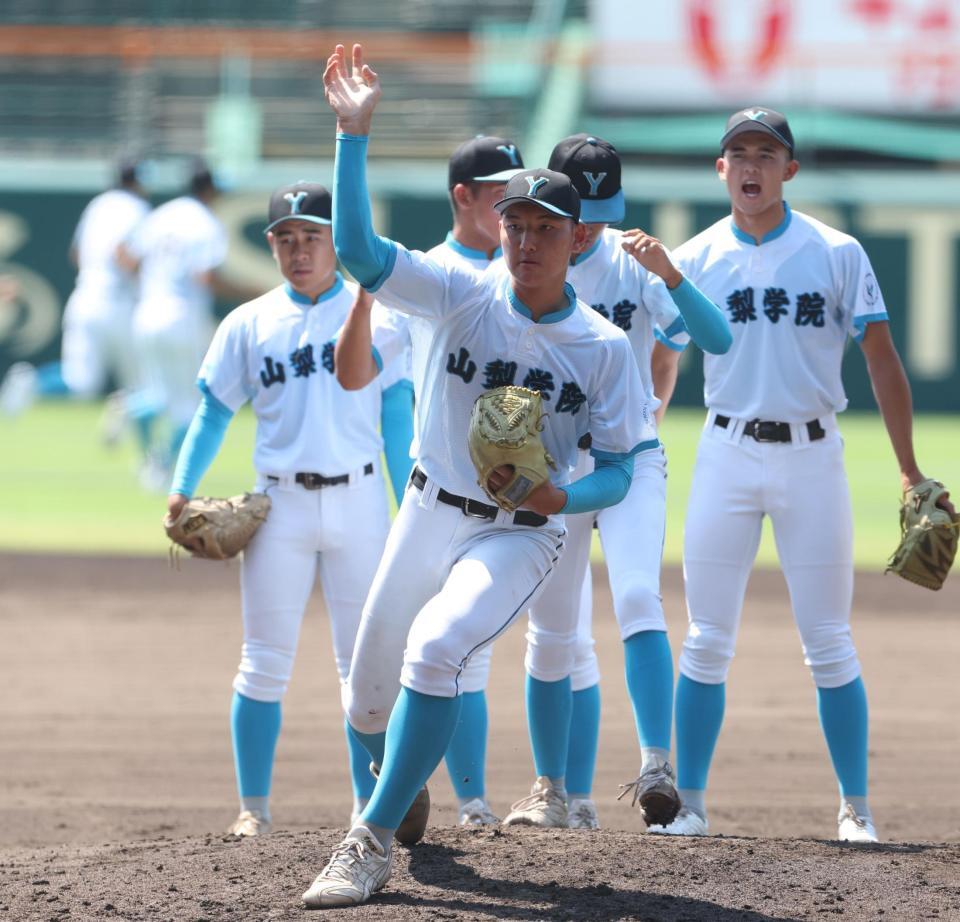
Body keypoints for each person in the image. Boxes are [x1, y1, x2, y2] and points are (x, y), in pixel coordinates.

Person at [300, 43, 654, 908]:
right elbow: (356, 251)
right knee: (365, 699)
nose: (527, 239)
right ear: (499, 228)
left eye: (545, 228)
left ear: (579, 239)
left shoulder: (603, 350)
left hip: (520, 531)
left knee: (438, 648)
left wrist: (562, 497)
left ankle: (369, 837)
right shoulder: (459, 290)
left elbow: (620, 471)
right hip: (426, 510)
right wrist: (353, 136)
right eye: (517, 223)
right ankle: (398, 781)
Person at [646, 107, 955, 843]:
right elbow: (665, 355)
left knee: (828, 639)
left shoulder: (837, 252)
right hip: (726, 454)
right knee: (705, 638)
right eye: (738, 153)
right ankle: (689, 803)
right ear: (721, 170)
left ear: (790, 169)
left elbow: (881, 358)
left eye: (767, 152)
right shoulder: (694, 257)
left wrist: (909, 469)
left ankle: (856, 808)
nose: (751, 165)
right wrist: (646, 436)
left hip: (813, 456)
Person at [165, 181, 414, 839]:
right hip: (281, 506)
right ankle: (254, 809)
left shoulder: (379, 316)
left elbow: (397, 423)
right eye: (285, 238)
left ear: (336, 240)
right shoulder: (248, 323)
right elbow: (214, 411)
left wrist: (409, 507)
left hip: (361, 502)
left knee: (363, 668)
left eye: (312, 236)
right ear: (270, 244)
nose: (299, 250)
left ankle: (370, 811)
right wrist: (181, 487)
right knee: (263, 661)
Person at [502, 134, 731, 831]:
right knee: (553, 630)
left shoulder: (635, 266)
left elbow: (716, 341)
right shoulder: (520, 268)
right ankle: (553, 789)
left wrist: (674, 277)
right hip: (554, 465)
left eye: (602, 210)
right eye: (582, 212)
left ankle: (658, 766)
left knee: (637, 594)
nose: (593, 225)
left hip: (631, 455)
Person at [394, 133, 526, 828]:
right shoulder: (428, 275)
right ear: (462, 196)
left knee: (465, 651)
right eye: (497, 189)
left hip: (503, 499)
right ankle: (397, 793)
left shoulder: (528, 278)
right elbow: (381, 385)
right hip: (429, 489)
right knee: (395, 655)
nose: (510, 202)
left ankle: (472, 804)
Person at [122, 162, 235, 489]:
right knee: (190, 406)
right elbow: (205, 276)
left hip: (146, 310)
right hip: (181, 316)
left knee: (158, 395)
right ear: (210, 190)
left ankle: (132, 412)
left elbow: (128, 259)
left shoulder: (161, 214)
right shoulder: (206, 222)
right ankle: (160, 467)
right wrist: (251, 293)